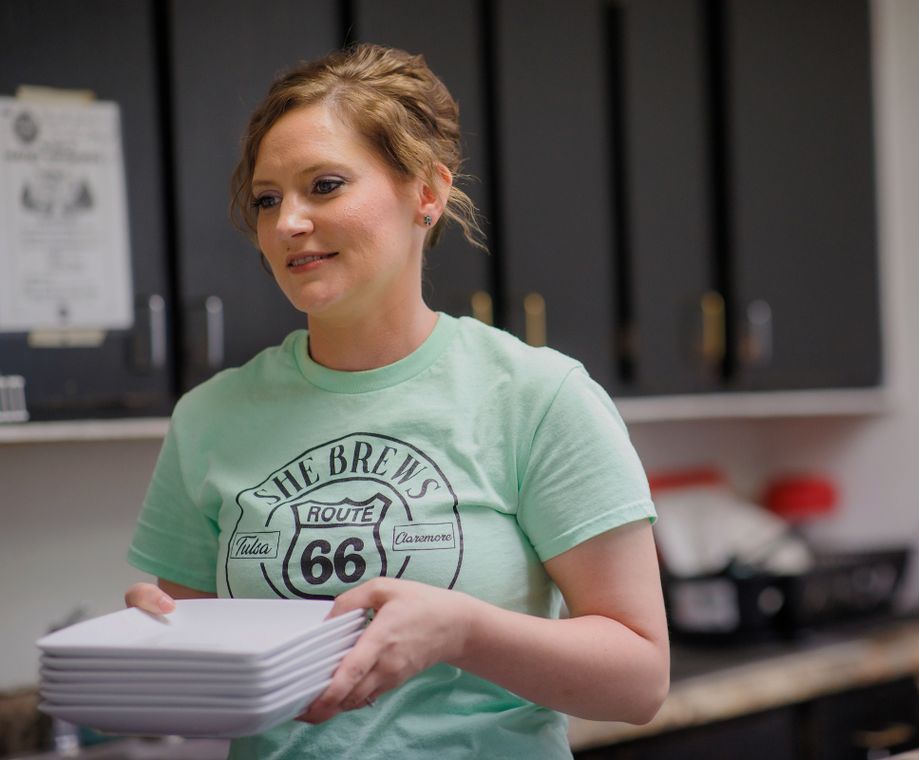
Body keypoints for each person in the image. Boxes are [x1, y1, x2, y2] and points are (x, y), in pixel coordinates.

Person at [123, 43, 669, 759]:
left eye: (324, 185)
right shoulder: (210, 418)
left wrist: (461, 630)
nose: (287, 222)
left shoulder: (536, 397)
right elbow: (202, 698)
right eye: (267, 199)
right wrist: (152, 652)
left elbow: (639, 680)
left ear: (427, 192)